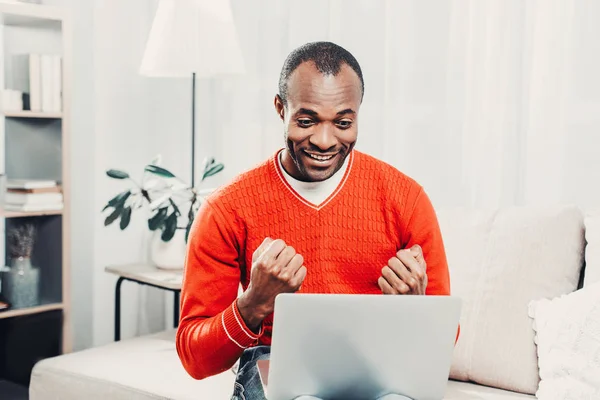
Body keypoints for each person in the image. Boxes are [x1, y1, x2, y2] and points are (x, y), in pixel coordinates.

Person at [176, 41, 455, 400]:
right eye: (306, 121)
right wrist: (255, 303)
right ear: (281, 109)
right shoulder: (226, 209)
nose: (324, 141)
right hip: (275, 362)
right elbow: (194, 358)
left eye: (342, 122)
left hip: (380, 365)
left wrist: (416, 311)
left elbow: (444, 343)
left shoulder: (405, 199)